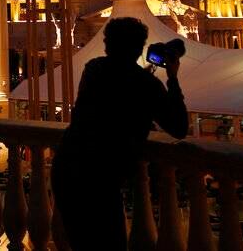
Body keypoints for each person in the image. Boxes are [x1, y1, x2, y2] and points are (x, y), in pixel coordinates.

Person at [51, 17, 188, 250]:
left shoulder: (93, 69)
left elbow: (114, 90)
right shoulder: (146, 84)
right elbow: (179, 127)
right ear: (139, 47)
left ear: (108, 45)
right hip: (101, 179)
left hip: (68, 167)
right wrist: (172, 78)